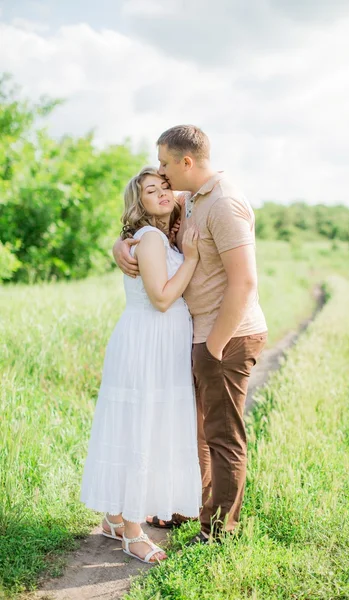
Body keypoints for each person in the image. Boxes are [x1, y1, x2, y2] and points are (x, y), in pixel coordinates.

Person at [113, 125, 267, 544]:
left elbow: (245, 283)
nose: (162, 174)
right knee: (194, 431)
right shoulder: (193, 198)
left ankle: (219, 532)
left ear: (185, 162)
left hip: (227, 337)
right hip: (197, 335)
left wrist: (214, 346)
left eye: (165, 163)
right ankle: (191, 510)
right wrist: (120, 244)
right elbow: (143, 213)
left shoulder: (225, 204)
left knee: (221, 435)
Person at [81, 166, 202, 564]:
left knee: (139, 425)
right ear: (140, 203)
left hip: (153, 343)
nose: (164, 193)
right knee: (142, 430)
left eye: (166, 186)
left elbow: (190, 193)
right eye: (152, 190)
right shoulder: (150, 238)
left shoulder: (153, 235)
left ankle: (114, 518)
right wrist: (192, 259)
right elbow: (162, 299)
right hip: (148, 344)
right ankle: (133, 532)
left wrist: (124, 239)